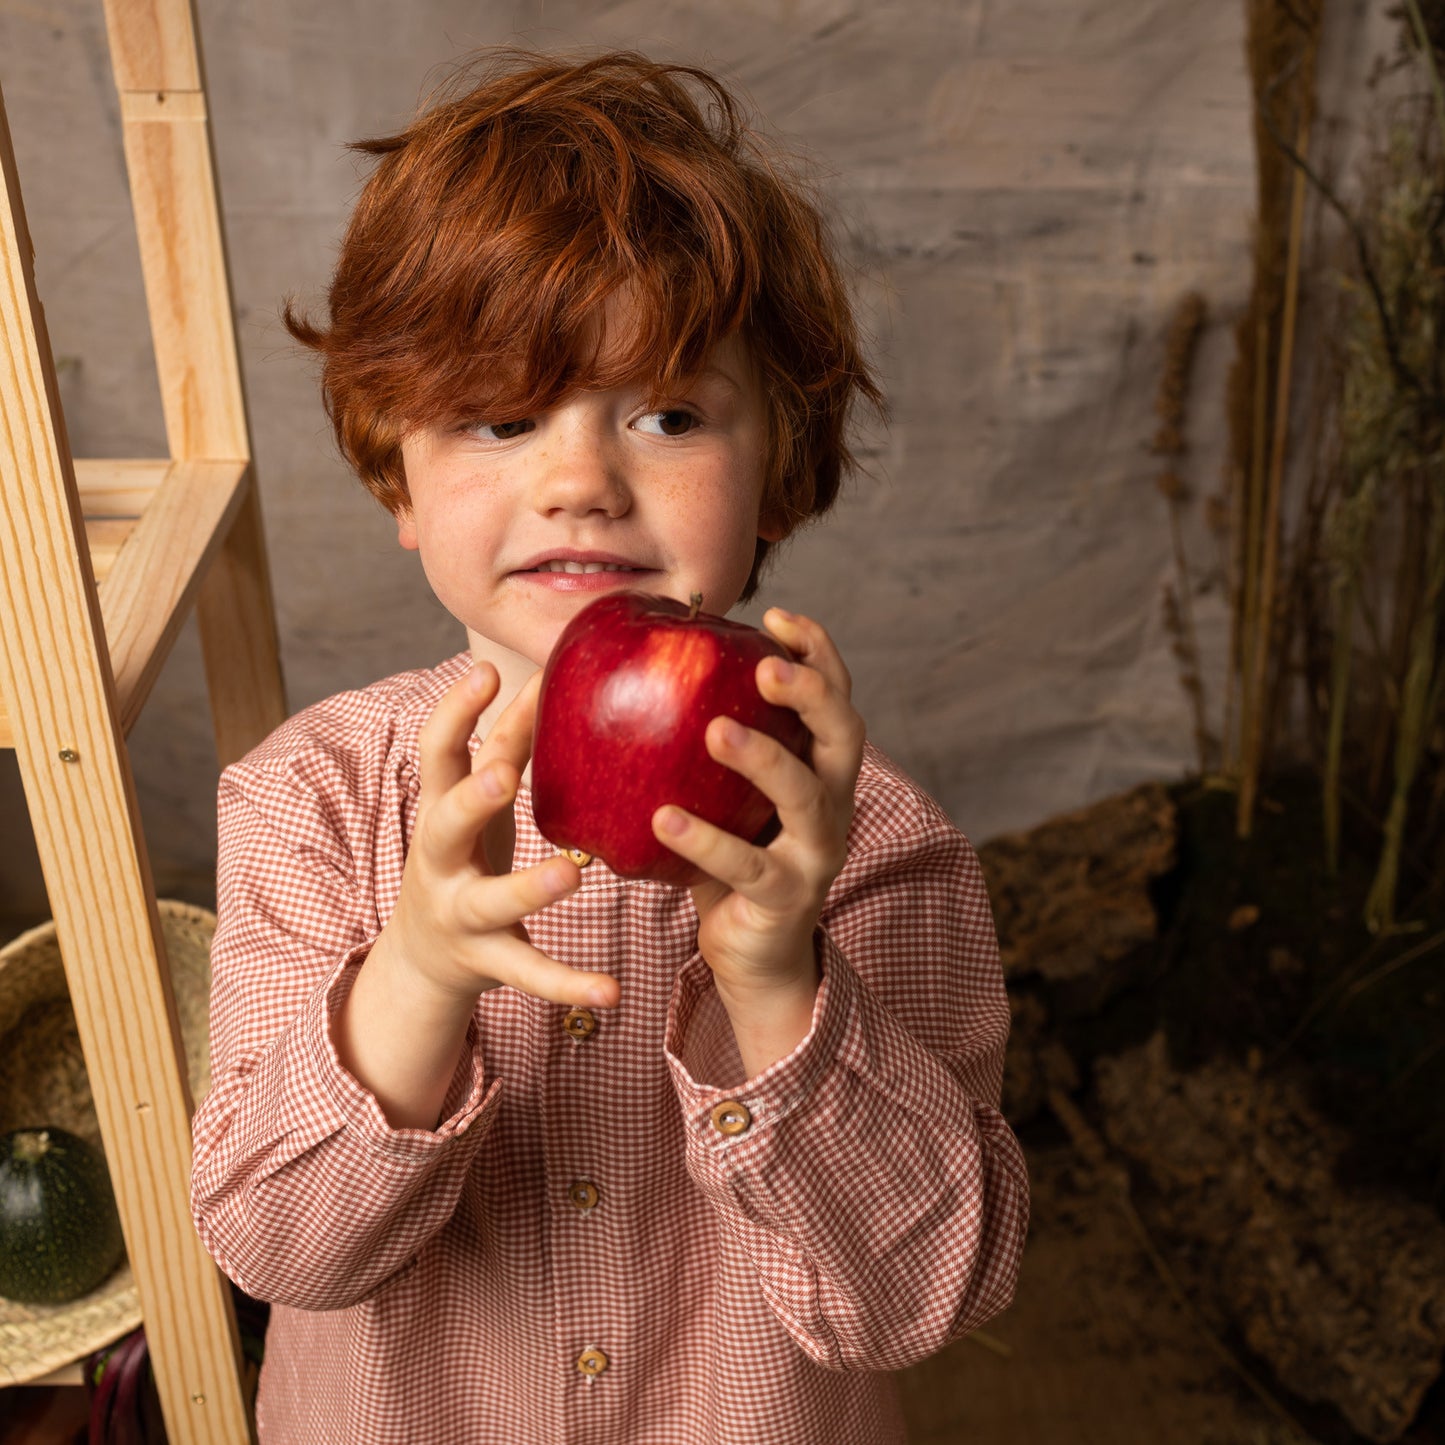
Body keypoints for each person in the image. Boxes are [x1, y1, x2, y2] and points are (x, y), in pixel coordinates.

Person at [190, 48, 1029, 1445]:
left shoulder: (869, 838)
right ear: (397, 475)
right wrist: (413, 970)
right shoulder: (307, 803)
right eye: (501, 417)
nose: (579, 480)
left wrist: (775, 978)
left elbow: (918, 1304)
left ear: (780, 463)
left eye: (669, 415)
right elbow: (281, 1252)